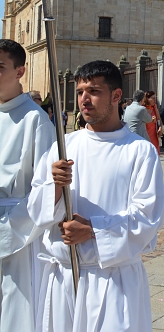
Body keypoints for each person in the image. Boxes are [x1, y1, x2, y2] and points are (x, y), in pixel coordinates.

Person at [28, 60, 164, 332]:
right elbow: (34, 210)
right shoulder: (64, 145)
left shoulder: (139, 151)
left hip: (112, 279)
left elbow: (148, 218)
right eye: (80, 92)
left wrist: (92, 230)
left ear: (116, 96)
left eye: (93, 91)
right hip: (63, 277)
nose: (83, 100)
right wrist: (55, 186)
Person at [0, 40, 55, 332]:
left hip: (16, 231)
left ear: (20, 71)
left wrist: (12, 230)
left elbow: (46, 187)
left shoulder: (35, 120)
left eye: (0, 67)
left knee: (14, 307)